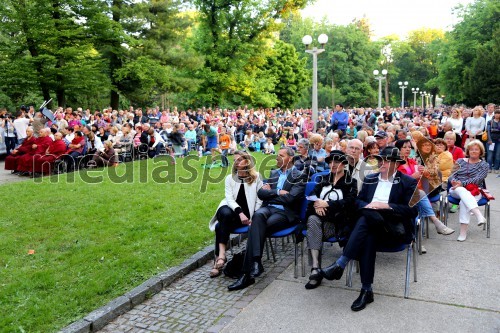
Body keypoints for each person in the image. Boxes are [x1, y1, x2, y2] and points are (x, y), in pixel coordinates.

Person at [320, 147, 418, 311]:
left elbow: (412, 210)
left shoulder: (408, 182)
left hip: (391, 228)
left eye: (386, 160)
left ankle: (341, 264)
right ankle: (366, 290)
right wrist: (369, 206)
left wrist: (385, 206)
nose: (382, 163)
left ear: (396, 164)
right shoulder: (371, 178)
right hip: (370, 227)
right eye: (380, 160)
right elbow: (358, 201)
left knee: (365, 221)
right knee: (368, 231)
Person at [227, 147, 307, 291]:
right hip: (268, 208)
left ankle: (247, 274)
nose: (276, 158)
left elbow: (291, 199)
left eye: (281, 156)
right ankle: (256, 261)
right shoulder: (273, 172)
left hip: (285, 213)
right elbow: (261, 193)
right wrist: (277, 192)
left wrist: (272, 192)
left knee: (256, 227)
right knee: (257, 216)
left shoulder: (299, 175)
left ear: (290, 158)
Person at [304, 151, 357, 289]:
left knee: (313, 225)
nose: (333, 165)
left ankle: (315, 271)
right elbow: (311, 196)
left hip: (336, 224)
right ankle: (315, 268)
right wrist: (317, 205)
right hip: (317, 221)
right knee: (312, 220)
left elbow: (350, 202)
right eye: (330, 162)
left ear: (344, 164)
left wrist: (327, 204)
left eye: (337, 162)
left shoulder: (351, 182)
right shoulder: (323, 180)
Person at [208, 151, 263, 278]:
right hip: (232, 211)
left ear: (247, 162)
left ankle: (218, 261)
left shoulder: (256, 177)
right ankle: (221, 255)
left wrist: (253, 216)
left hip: (247, 215)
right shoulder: (230, 178)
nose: (236, 163)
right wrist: (240, 213)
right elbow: (229, 198)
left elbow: (259, 199)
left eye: (239, 160)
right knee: (225, 214)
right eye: (235, 160)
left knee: (221, 224)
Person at [395, 139, 454, 237]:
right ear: (398, 149)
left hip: (417, 192)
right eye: (404, 147)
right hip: (402, 194)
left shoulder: (412, 162)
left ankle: (417, 240)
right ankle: (435, 222)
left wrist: (424, 172)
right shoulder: (395, 164)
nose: (408, 149)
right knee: (420, 197)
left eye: (409, 147)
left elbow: (423, 179)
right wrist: (412, 177)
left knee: (419, 202)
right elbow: (397, 183)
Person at [448, 140, 489, 242]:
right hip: (456, 190)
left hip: (474, 191)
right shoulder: (460, 161)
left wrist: (462, 183)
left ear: (480, 152)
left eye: (476, 149)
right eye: (471, 149)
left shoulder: (484, 165)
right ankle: (478, 214)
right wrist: (454, 182)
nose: (473, 151)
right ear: (468, 151)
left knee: (463, 202)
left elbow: (478, 179)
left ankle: (463, 232)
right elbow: (451, 174)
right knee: (461, 190)